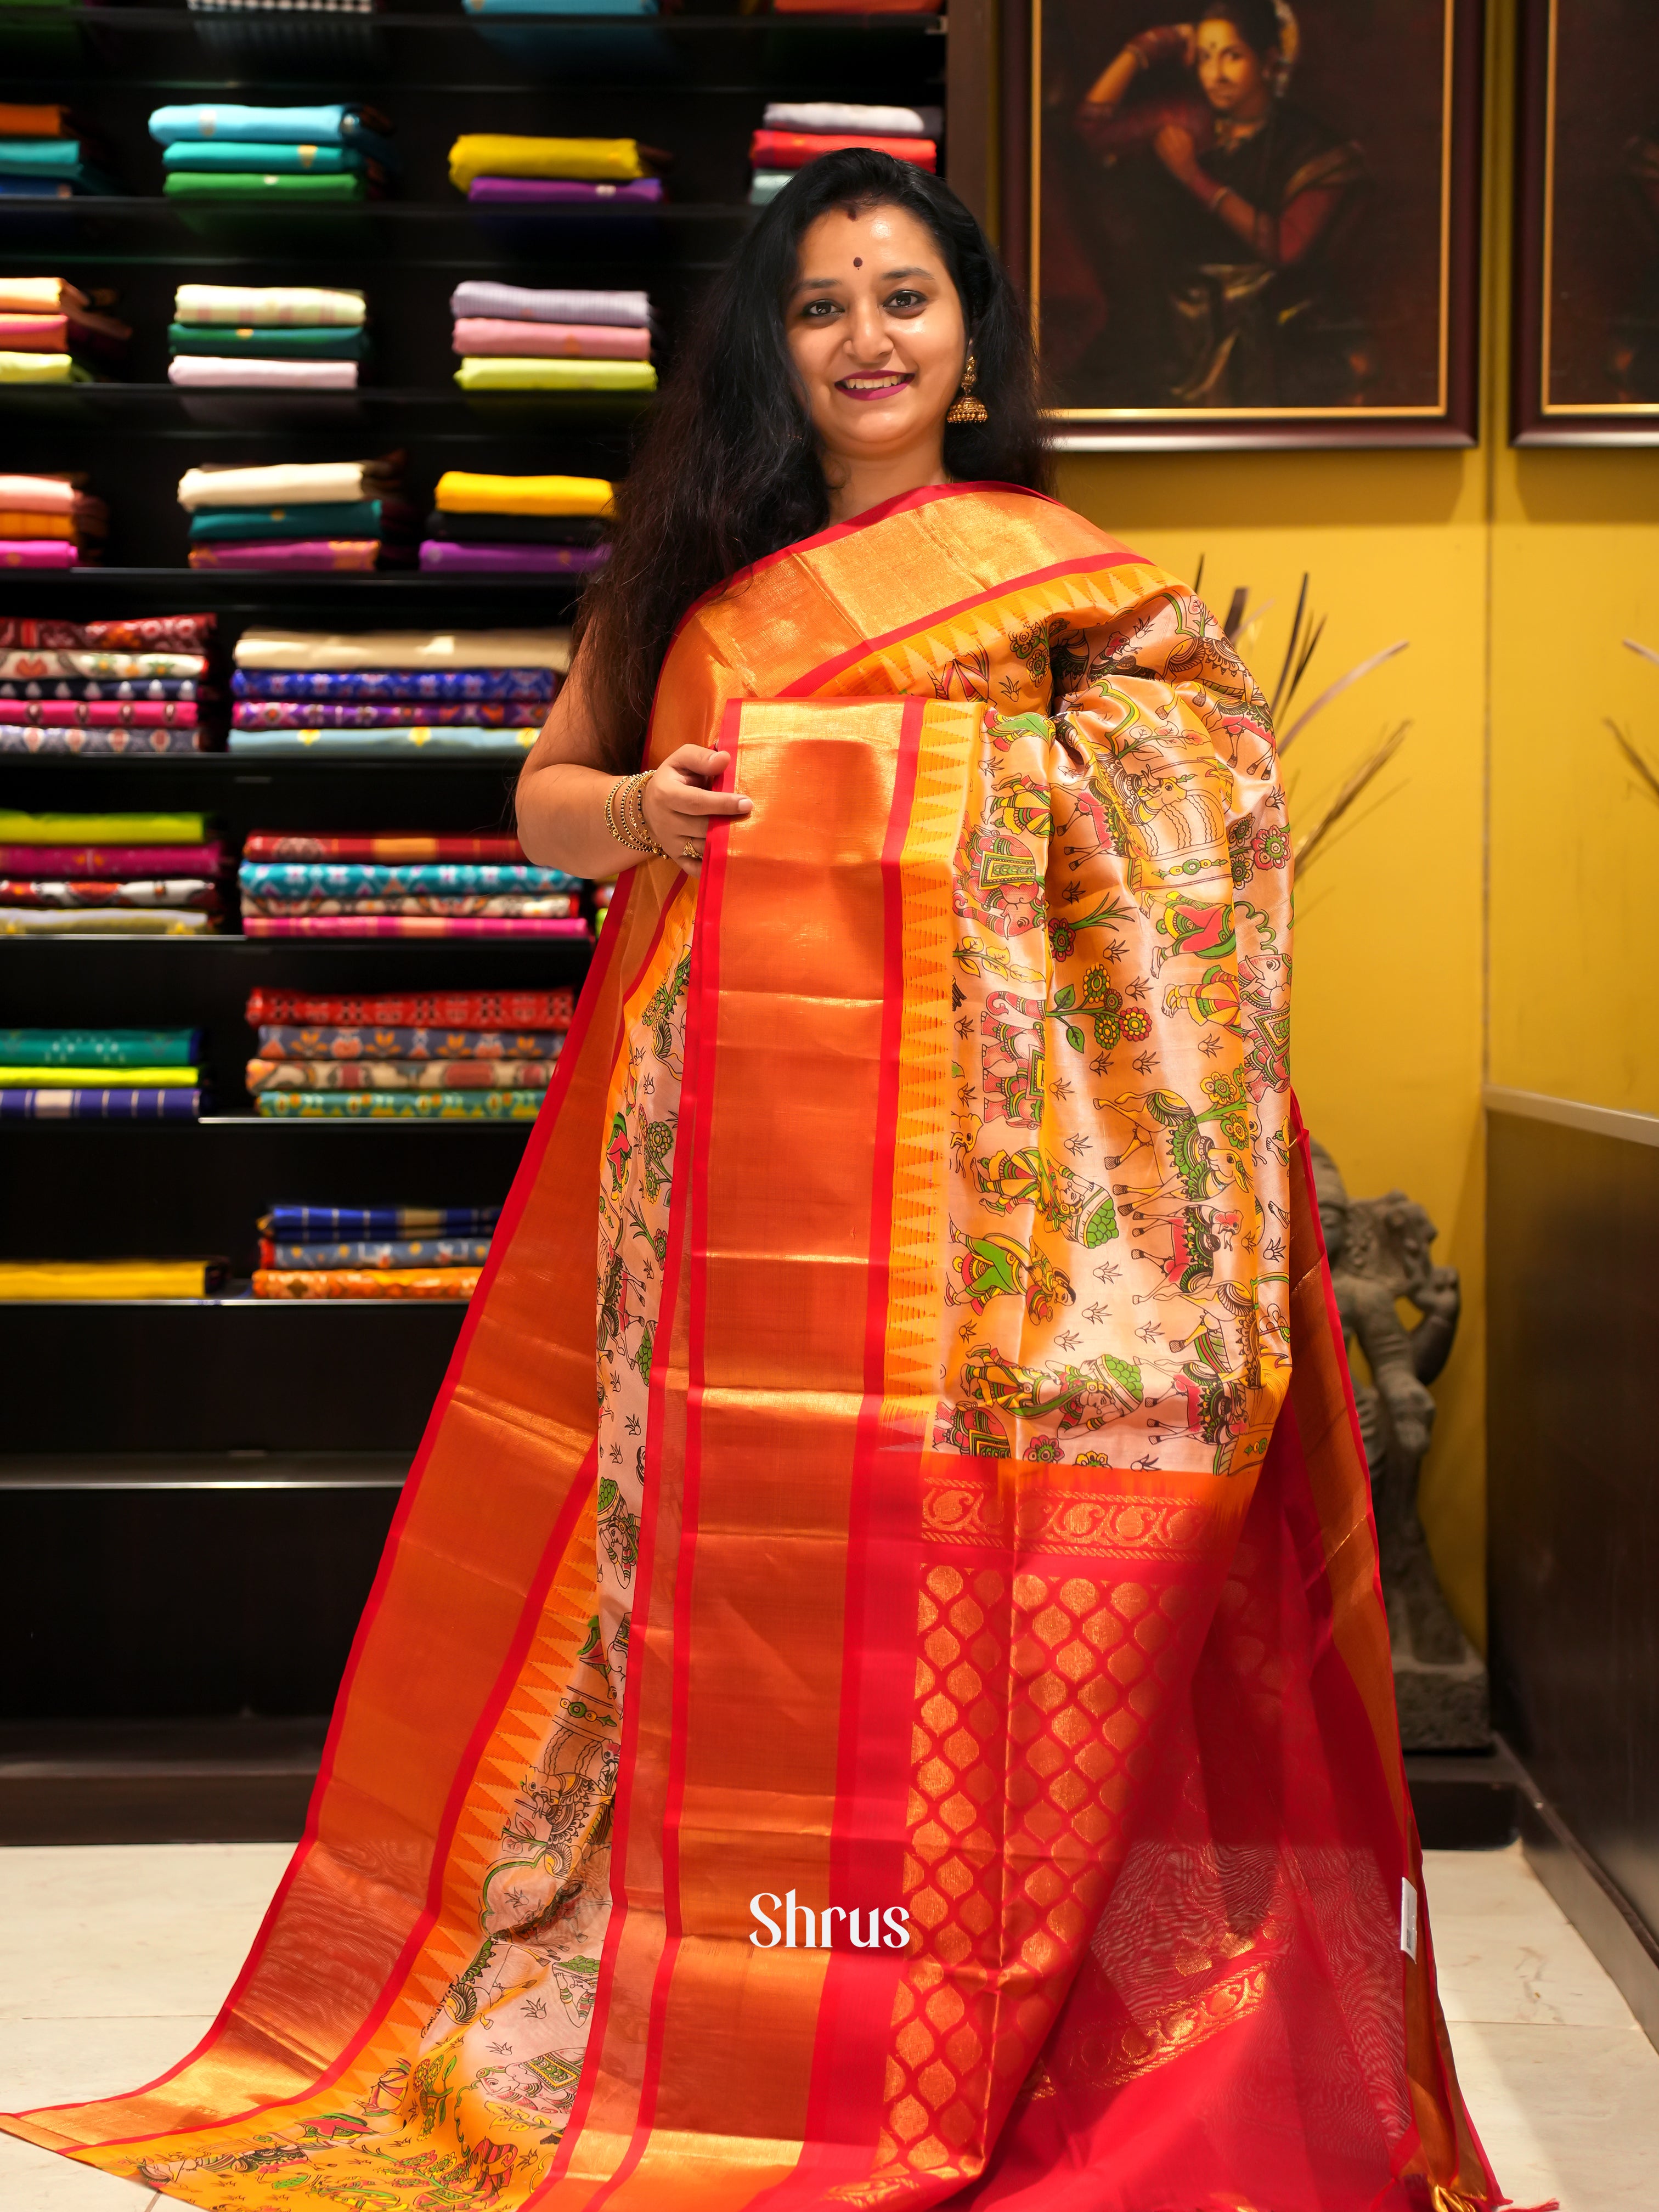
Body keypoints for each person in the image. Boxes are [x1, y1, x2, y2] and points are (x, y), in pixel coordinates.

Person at [4, 150, 1504, 2211]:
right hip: (722, 1198)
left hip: (990, 1225)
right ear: (769, 349)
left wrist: (924, 796)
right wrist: (644, 802)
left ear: (970, 339)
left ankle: (971, 1999)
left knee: (957, 1598)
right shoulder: (696, 582)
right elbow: (546, 803)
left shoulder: (1060, 578)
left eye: (903, 296)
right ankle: (734, 1989)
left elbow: (1197, 814)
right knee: (744, 1604)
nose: (866, 337)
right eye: (819, 305)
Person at [1061, 2, 1370, 407]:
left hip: (1270, 329)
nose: (1215, 75)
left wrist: (1194, 177)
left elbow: (1284, 247)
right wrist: (1146, 47)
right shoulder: (1190, 118)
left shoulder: (1313, 147)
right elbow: (1090, 129)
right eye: (1205, 57)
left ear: (1268, 62)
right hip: (1177, 326)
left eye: (1233, 56)